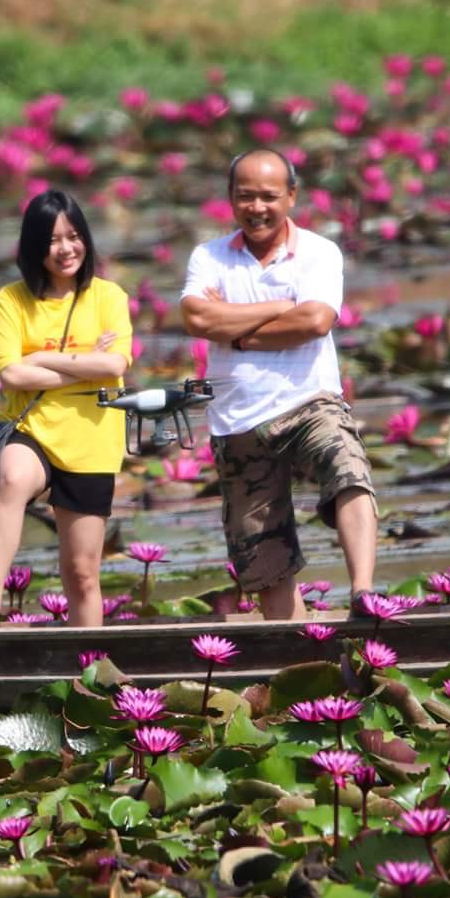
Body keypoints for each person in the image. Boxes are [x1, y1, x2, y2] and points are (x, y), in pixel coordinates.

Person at [180, 148, 377, 620]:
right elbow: (196, 316)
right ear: (230, 199)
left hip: (309, 403)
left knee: (347, 468)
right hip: (237, 418)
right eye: (245, 196)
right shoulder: (209, 256)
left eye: (268, 196)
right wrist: (276, 307)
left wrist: (237, 334)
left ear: (291, 196)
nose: (256, 207)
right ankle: (296, 654)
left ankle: (364, 594)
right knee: (265, 559)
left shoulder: (319, 251)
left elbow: (314, 320)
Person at [0, 190, 133, 629]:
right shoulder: (11, 300)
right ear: (35, 246)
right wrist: (81, 364)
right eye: (54, 240)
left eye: (74, 236)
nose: (66, 248)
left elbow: (114, 365)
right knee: (13, 478)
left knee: (82, 573)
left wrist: (40, 358)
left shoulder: (108, 297)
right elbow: (11, 377)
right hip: (32, 426)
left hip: (92, 436)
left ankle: (88, 666)